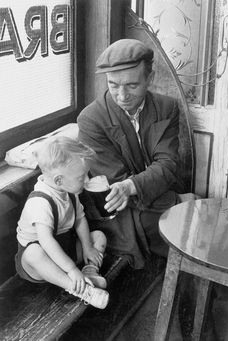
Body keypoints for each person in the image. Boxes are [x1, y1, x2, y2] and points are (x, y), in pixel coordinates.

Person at [77, 39, 185, 269]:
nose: (122, 95)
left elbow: (168, 165)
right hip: (118, 213)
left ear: (150, 78)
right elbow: (114, 186)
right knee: (183, 224)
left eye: (132, 85)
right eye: (113, 84)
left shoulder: (167, 107)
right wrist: (176, 200)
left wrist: (131, 186)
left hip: (146, 198)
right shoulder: (91, 119)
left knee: (187, 228)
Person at [15, 136, 109, 309]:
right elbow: (47, 242)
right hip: (41, 260)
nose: (87, 181)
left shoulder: (69, 191)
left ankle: (89, 272)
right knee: (33, 253)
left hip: (65, 246)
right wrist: (71, 269)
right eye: (82, 177)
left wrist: (87, 247)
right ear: (59, 180)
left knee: (98, 236)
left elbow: (80, 219)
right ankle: (79, 288)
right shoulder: (40, 202)